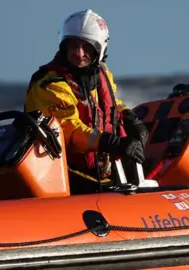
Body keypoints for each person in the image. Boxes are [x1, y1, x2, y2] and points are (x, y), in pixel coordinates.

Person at [24, 9, 148, 193]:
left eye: (86, 47)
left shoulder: (101, 76)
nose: (78, 53)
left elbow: (108, 104)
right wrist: (113, 143)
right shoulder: (51, 85)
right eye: (73, 46)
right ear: (63, 47)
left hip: (99, 174)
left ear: (99, 49)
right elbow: (68, 129)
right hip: (67, 178)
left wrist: (129, 117)